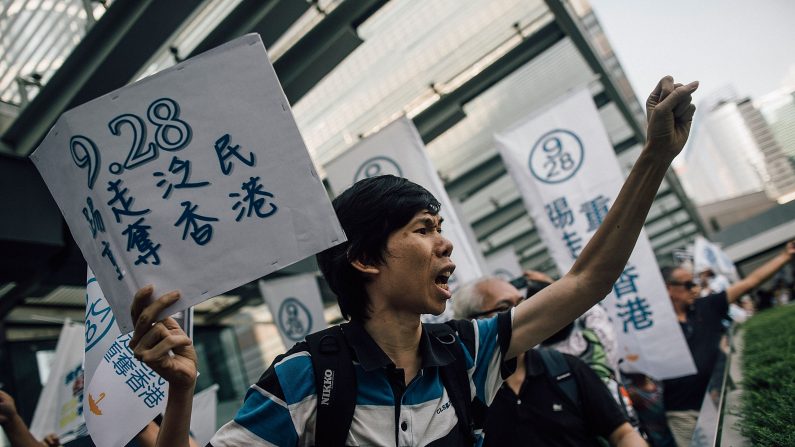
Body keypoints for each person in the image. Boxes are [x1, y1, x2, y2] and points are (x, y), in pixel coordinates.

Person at [128, 75, 698, 446]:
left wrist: (653, 157)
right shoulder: (303, 376)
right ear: (366, 260)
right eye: (424, 230)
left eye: (441, 229)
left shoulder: (469, 351)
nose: (445, 245)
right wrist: (180, 393)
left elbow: (586, 279)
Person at [452, 277, 647, 446]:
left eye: (523, 303)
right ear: (472, 325)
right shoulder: (462, 393)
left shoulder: (566, 369)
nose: (522, 314)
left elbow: (622, 433)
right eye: (505, 308)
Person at [661, 240, 795, 446]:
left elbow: (750, 282)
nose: (694, 289)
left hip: (720, 396)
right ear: (668, 288)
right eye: (688, 285)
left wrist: (785, 256)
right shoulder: (653, 327)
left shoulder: (706, 307)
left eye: (695, 283)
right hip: (683, 413)